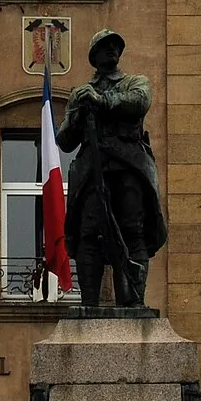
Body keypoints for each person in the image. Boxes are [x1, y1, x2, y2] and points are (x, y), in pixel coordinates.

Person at [55, 29, 168, 308]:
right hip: (92, 173)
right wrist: (79, 112)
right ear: (93, 56)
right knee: (88, 234)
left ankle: (132, 302)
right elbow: (65, 140)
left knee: (132, 230)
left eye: (115, 46)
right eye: (105, 47)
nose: (111, 50)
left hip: (128, 169)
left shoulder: (134, 82)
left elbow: (139, 102)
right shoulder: (80, 94)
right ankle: (89, 302)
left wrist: (101, 101)